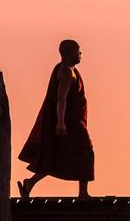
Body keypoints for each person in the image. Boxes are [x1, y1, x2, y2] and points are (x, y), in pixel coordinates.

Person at [17, 39, 94, 199]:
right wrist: (60, 122)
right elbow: (61, 98)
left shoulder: (69, 69)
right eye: (77, 50)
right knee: (86, 151)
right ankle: (83, 193)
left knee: (54, 155)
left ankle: (29, 184)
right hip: (69, 123)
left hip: (70, 120)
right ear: (67, 53)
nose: (80, 53)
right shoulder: (66, 72)